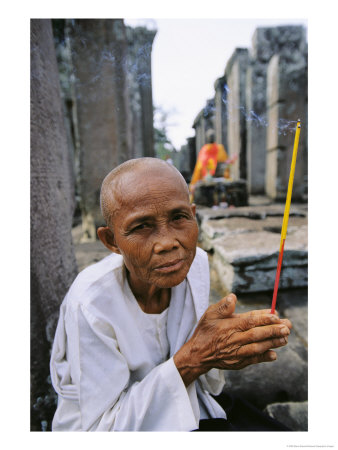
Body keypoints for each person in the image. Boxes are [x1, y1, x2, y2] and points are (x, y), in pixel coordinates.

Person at [50, 157, 292, 431]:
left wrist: (221, 350)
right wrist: (195, 359)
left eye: (179, 218)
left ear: (193, 214)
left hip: (189, 398)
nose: (168, 243)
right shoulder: (91, 303)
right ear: (111, 241)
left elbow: (202, 374)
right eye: (142, 226)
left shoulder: (196, 263)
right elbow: (102, 427)